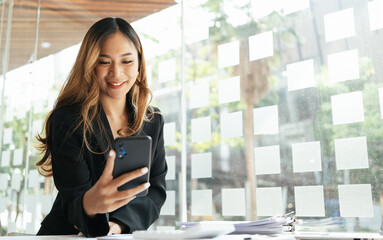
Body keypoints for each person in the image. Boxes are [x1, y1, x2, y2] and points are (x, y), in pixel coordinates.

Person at [35, 17, 167, 237]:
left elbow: (155, 190)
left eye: (126, 61)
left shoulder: (152, 120)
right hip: (66, 235)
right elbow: (72, 200)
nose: (116, 73)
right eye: (104, 62)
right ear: (90, 64)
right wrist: (91, 204)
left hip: (120, 235)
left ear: (139, 62)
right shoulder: (67, 120)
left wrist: (119, 225)